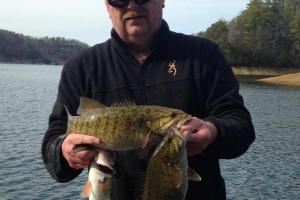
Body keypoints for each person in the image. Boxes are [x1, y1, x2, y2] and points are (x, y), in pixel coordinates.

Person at [41, 0, 255, 199]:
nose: (132, 5)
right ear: (107, 5)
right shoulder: (80, 69)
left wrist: (213, 132)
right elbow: (54, 154)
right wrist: (64, 151)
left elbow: (241, 126)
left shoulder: (204, 55)